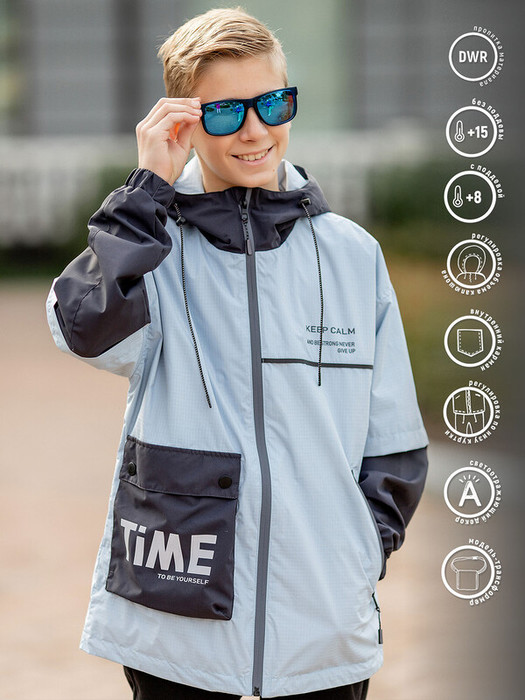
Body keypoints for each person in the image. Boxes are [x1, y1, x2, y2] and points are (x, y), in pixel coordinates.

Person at [46, 7, 428, 699]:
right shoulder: (150, 244)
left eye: (273, 103)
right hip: (178, 611)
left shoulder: (352, 254)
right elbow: (85, 329)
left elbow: (394, 438)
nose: (255, 131)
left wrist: (358, 547)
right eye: (225, 112)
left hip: (321, 617)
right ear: (184, 122)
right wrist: (146, 191)